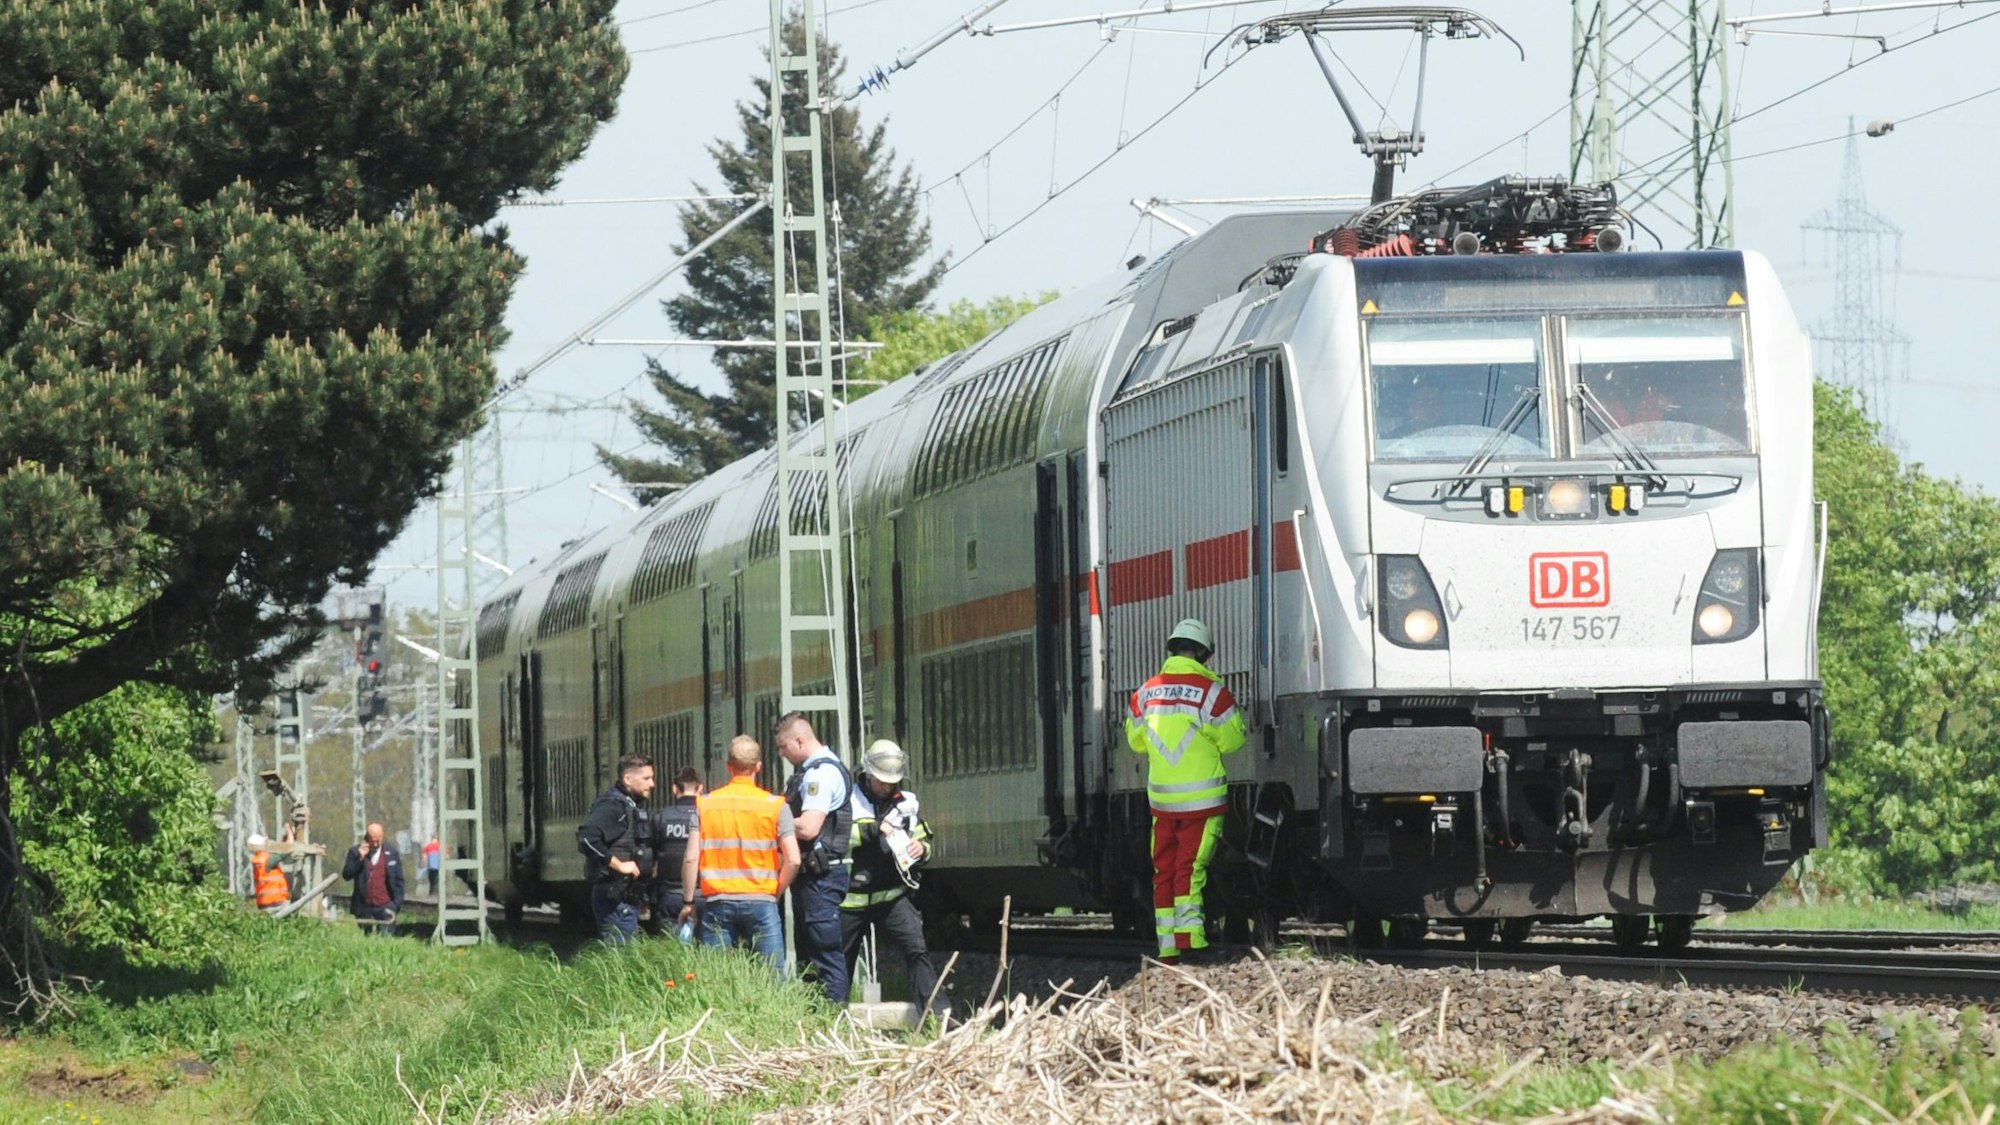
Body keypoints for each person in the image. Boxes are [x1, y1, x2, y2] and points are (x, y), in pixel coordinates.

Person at [1125, 617, 1246, 962]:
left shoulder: (1145, 693)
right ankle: (1192, 941)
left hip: (1162, 802)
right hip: (1202, 803)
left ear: (1173, 650)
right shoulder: (1213, 694)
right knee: (1190, 870)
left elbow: (1135, 742)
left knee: (1163, 869)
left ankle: (1167, 947)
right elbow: (1234, 740)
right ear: (1203, 654)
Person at [840, 740, 948, 1021]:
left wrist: (921, 850)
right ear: (868, 773)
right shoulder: (847, 799)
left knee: (917, 950)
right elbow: (838, 838)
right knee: (840, 963)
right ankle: (830, 1020)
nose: (888, 787)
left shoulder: (908, 802)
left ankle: (938, 1019)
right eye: (882, 782)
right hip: (850, 900)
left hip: (892, 897)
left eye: (893, 782)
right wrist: (874, 830)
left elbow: (924, 838)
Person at [681, 736, 798, 970]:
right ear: (758, 767)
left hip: (718, 901)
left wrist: (688, 902)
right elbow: (793, 859)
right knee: (771, 978)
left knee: (718, 978)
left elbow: (691, 857)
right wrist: (775, 892)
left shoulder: (705, 804)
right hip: (762, 902)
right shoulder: (775, 805)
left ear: (728, 766)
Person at [775, 712, 854, 1005]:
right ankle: (816, 1022)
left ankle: (833, 1021)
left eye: (784, 747)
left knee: (823, 955)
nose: (782, 753)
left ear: (799, 739)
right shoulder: (814, 771)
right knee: (810, 957)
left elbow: (808, 827)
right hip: (815, 878)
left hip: (820, 879)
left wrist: (772, 819)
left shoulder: (820, 774)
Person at [578, 754, 656, 945]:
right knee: (622, 959)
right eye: (646, 778)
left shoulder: (629, 806)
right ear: (627, 779)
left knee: (625, 958)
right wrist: (619, 865)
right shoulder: (613, 806)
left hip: (626, 897)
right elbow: (586, 839)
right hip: (614, 897)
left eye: (652, 778)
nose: (652, 784)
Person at [653, 767, 703, 941]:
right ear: (701, 788)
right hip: (705, 895)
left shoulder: (662, 817)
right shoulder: (709, 817)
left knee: (671, 952)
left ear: (675, 789)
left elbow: (651, 857)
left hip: (670, 896)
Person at [340, 823, 405, 934]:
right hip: (364, 907)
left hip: (386, 905)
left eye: (378, 839)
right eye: (372, 839)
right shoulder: (355, 852)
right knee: (367, 937)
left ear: (382, 836)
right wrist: (359, 858)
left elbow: (399, 880)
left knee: (387, 939)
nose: (375, 843)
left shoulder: (392, 853)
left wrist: (396, 904)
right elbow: (346, 875)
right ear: (367, 837)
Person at [247, 833, 290, 914]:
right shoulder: (267, 860)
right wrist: (290, 836)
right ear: (261, 845)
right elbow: (283, 854)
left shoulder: (257, 860)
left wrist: (284, 840)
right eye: (265, 842)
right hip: (276, 902)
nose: (267, 844)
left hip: (264, 903)